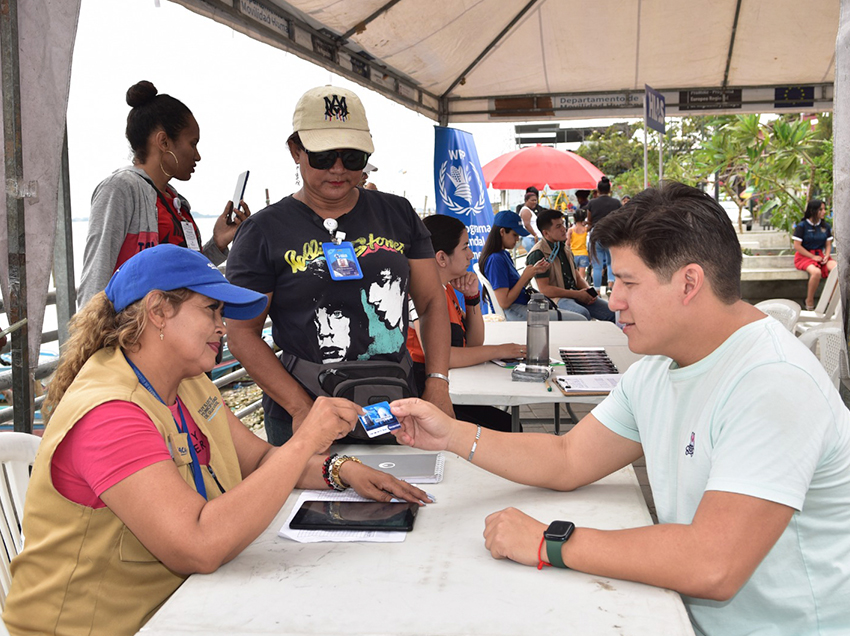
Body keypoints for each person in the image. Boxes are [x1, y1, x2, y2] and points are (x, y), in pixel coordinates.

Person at [388, 182, 850, 636]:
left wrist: (549, 541)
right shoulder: (658, 369)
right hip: (679, 614)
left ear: (689, 282)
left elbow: (713, 564)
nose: (614, 300)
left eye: (628, 282)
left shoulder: (771, 380)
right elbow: (568, 458)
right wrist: (451, 434)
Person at [2, 244, 428, 636]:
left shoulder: (186, 383)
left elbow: (260, 459)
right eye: (211, 310)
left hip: (181, 608)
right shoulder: (109, 412)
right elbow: (199, 546)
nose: (223, 327)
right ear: (157, 310)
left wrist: (342, 470)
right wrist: (305, 441)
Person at [225, 85, 452, 446]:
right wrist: (301, 409)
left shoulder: (398, 214)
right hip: (305, 410)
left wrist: (438, 383)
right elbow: (240, 333)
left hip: (395, 406)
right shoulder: (263, 231)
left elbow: (430, 303)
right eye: (323, 155)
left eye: (352, 157)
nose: (338, 168)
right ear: (295, 150)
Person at [78, 80, 250, 307]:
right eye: (193, 143)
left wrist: (218, 243)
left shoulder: (178, 203)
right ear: (163, 141)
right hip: (137, 338)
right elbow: (96, 277)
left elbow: (183, 279)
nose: (197, 156)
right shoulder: (120, 189)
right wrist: (91, 340)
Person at [407, 214, 524, 432]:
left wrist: (472, 299)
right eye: (465, 247)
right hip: (423, 396)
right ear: (442, 258)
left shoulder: (445, 287)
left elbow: (473, 343)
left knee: (510, 426)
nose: (471, 254)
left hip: (448, 387)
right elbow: (442, 357)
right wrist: (499, 350)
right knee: (508, 428)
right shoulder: (419, 294)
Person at [526, 209, 615, 322]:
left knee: (613, 312)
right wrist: (577, 294)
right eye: (558, 226)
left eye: (563, 224)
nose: (564, 229)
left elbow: (577, 277)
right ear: (546, 233)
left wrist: (589, 292)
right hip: (556, 299)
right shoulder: (538, 253)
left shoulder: (564, 248)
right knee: (582, 314)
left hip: (574, 293)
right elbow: (545, 290)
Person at [478, 211, 566, 322]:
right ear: (502, 232)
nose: (517, 239)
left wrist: (532, 272)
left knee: (575, 317)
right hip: (516, 311)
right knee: (577, 319)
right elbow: (504, 302)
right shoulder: (496, 260)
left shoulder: (503, 254)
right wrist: (525, 276)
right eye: (515, 235)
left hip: (522, 307)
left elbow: (515, 289)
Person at [793, 199, 837, 310]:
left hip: (820, 256)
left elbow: (828, 244)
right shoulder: (802, 226)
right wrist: (812, 257)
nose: (824, 212)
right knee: (816, 272)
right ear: (813, 211)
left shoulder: (825, 226)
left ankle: (832, 300)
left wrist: (826, 255)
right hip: (805, 256)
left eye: (824, 209)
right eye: (820, 209)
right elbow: (797, 246)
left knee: (837, 269)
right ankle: (809, 300)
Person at [586, 176, 621, 292]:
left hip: (596, 233)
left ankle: (596, 290)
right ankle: (610, 286)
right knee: (611, 262)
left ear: (598, 190)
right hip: (611, 234)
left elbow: (589, 220)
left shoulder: (592, 203)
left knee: (597, 265)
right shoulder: (616, 203)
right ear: (609, 190)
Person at [566, 208, 590, 279]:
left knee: (573, 275)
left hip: (573, 254)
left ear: (574, 218)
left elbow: (567, 243)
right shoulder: (586, 229)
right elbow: (591, 224)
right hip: (583, 253)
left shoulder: (571, 230)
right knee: (582, 276)